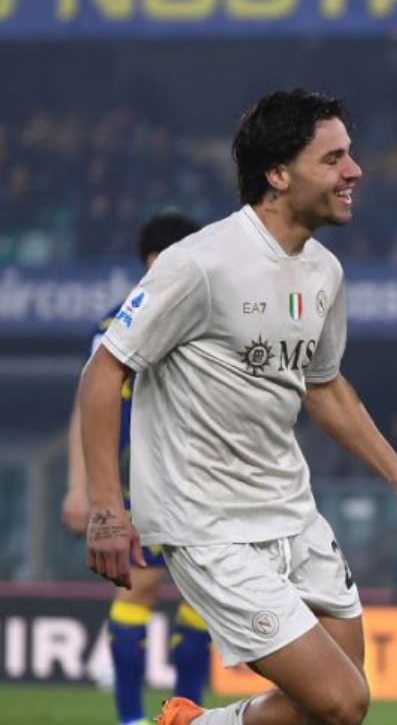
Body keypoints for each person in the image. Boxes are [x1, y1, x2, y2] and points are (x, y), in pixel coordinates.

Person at [79, 89, 397, 725]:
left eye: (350, 155)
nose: (354, 171)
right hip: (207, 522)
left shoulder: (324, 271)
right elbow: (104, 370)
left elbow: (324, 387)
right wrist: (107, 509)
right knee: (343, 702)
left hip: (292, 511)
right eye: (333, 159)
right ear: (278, 174)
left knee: (333, 707)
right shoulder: (200, 263)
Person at [63, 213, 210, 725]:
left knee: (206, 599)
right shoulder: (115, 327)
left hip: (203, 484)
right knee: (140, 588)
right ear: (152, 262)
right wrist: (79, 487)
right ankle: (130, 719)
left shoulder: (208, 322)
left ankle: (188, 714)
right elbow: (87, 407)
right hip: (136, 486)